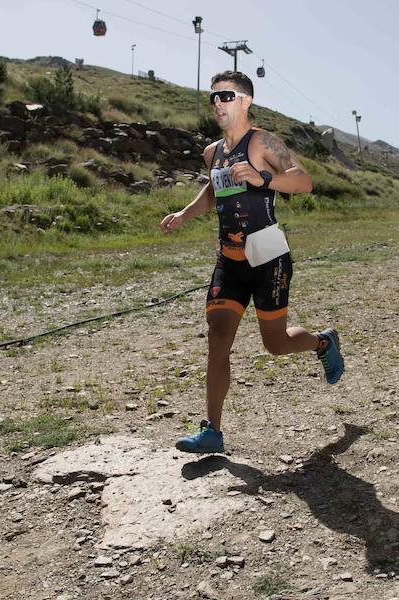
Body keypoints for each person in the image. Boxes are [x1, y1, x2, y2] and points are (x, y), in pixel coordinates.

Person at [160, 71, 345, 454]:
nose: (217, 103)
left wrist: (263, 178)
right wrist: (184, 214)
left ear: (245, 101)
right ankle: (212, 430)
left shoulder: (262, 142)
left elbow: (303, 180)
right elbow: (213, 190)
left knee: (275, 344)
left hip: (268, 258)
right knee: (217, 339)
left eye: (225, 96)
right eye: (213, 97)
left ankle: (322, 343)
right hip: (229, 260)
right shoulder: (213, 152)